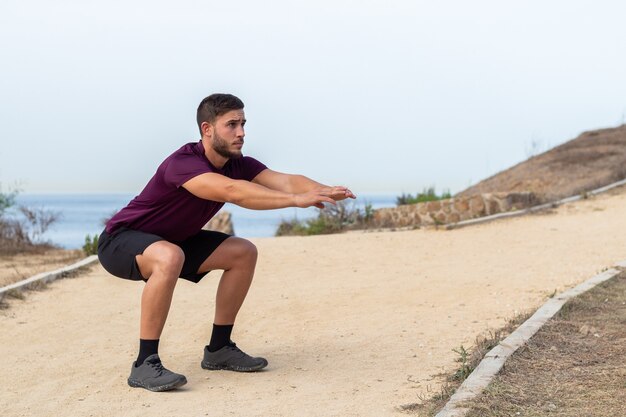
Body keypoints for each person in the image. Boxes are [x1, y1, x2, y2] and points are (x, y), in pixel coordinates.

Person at [97, 93, 356, 392]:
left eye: (243, 123)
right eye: (231, 125)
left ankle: (219, 349)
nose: (242, 132)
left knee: (242, 252)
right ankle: (144, 364)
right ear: (207, 129)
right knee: (169, 256)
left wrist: (323, 189)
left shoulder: (237, 164)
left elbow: (284, 180)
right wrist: (297, 201)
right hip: (121, 240)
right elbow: (233, 191)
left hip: (174, 242)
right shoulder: (183, 163)